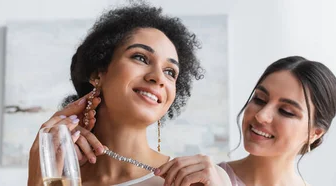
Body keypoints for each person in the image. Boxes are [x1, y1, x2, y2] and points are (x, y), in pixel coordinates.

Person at [28, 3, 231, 186]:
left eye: (170, 72)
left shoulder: (199, 180)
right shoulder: (56, 179)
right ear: (98, 73)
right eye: (141, 58)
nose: (158, 77)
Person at [183, 56, 336, 186]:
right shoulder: (203, 181)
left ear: (315, 133)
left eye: (286, 111)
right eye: (259, 99)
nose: (261, 115)